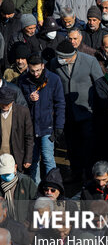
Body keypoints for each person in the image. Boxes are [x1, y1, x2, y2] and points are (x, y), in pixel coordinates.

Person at [49, 39, 103, 181]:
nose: (59, 60)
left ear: (70, 56)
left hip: (87, 112)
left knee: (88, 146)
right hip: (67, 114)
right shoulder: (55, 64)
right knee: (72, 147)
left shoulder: (89, 61)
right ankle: (76, 173)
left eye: (62, 57)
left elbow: (100, 86)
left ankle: (90, 174)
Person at [17, 54, 65, 183]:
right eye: (32, 71)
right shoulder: (23, 80)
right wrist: (29, 98)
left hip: (47, 126)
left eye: (38, 70)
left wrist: (59, 126)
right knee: (33, 160)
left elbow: (60, 104)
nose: (36, 73)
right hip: (30, 127)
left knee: (48, 158)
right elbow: (19, 104)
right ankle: (35, 189)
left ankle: (53, 186)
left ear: (43, 66)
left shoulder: (54, 80)